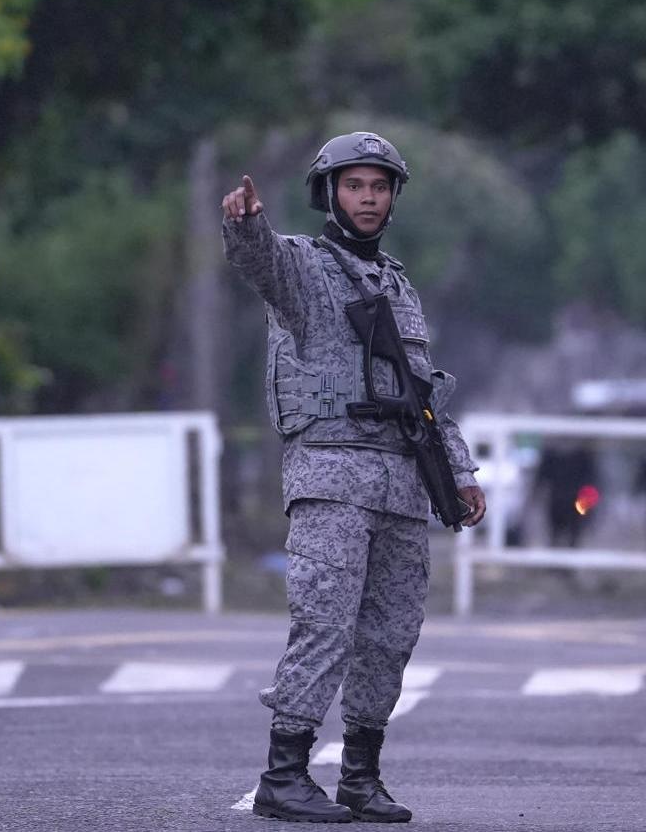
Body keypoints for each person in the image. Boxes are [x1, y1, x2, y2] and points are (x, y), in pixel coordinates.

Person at [222, 131, 486, 823]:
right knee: (324, 624)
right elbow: (262, 263)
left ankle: (361, 776)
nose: (367, 199)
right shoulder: (306, 269)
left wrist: (457, 471)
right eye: (353, 186)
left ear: (393, 196)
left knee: (392, 635)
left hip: (401, 480)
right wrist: (246, 225)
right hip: (331, 475)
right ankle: (284, 774)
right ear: (328, 193)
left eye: (378, 187)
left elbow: (423, 391)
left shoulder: (397, 285)